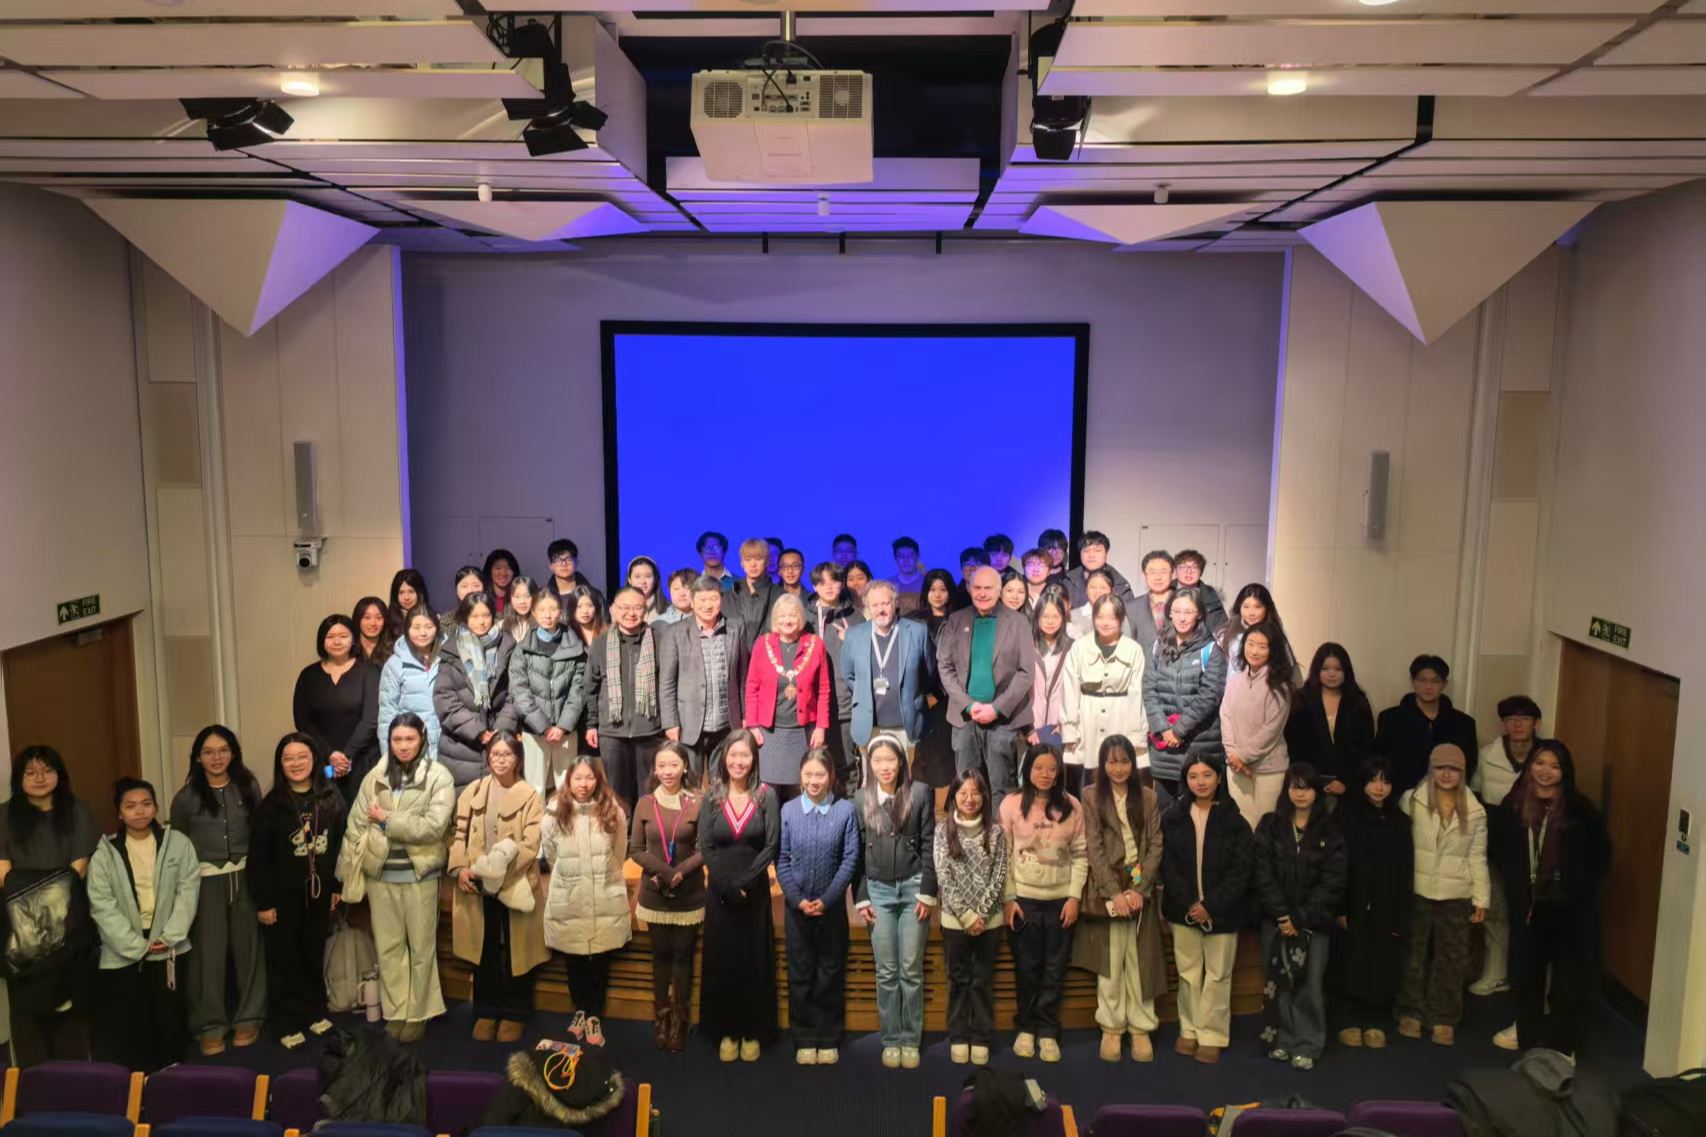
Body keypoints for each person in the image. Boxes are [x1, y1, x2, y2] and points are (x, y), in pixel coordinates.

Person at [338, 713, 454, 1041]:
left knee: (421, 948)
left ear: (422, 739)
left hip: (420, 873)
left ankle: (418, 1013)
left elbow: (433, 827)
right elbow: (356, 825)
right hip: (381, 874)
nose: (403, 746)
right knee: (388, 948)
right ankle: (396, 1011)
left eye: (410, 739)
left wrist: (387, 820)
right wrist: (346, 874)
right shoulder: (375, 776)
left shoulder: (439, 776)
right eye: (397, 739)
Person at [1491, 740, 1610, 1057]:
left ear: (1565, 772)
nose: (1546, 771)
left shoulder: (1580, 810)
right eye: (1540, 763)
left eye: (1555, 766)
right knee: (1526, 977)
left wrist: (1579, 887)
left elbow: (1601, 856)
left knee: (1567, 983)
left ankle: (1562, 1047)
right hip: (1529, 906)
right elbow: (1500, 851)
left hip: (1568, 909)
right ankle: (1528, 1039)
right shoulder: (1513, 805)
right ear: (1530, 765)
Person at [88, 776, 199, 1072]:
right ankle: (140, 1079)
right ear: (120, 812)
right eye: (131, 806)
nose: (140, 811)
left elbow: (188, 891)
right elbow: (102, 903)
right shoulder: (106, 852)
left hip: (168, 941)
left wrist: (170, 935)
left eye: (146, 804)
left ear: (156, 808)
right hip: (124, 947)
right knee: (132, 1017)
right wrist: (134, 945)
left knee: (169, 1014)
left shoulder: (178, 844)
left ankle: (172, 1072)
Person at [0, 747, 101, 1066]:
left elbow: (78, 869)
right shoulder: (4, 815)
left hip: (70, 921)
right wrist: (35, 910)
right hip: (20, 929)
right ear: (19, 779)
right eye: (30, 772)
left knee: (72, 1009)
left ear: (60, 774)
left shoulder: (78, 811)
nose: (40, 778)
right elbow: (3, 874)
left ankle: (74, 1082)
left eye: (47, 770)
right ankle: (31, 1086)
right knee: (27, 1013)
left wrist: (42, 897)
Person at [172, 725, 266, 1055]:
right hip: (205, 881)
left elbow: (260, 832)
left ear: (233, 753)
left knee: (249, 949)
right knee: (207, 955)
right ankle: (210, 1024)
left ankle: (249, 1017)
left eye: (223, 750)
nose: (216, 758)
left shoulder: (248, 786)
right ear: (198, 757)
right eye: (209, 752)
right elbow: (178, 847)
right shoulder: (185, 799)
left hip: (245, 876)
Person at [248, 732, 345, 1049]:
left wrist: (336, 887)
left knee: (312, 954)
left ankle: (314, 1011)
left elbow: (340, 848)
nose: (296, 763)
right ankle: (286, 1022)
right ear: (280, 764)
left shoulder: (330, 799)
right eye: (288, 758)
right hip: (281, 900)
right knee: (284, 959)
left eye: (302, 756)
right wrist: (264, 902)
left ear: (314, 760)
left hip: (319, 894)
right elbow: (259, 859)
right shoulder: (271, 806)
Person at [450, 732, 549, 1042]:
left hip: (515, 883)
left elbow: (531, 843)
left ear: (518, 759)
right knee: (485, 949)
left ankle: (516, 1014)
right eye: (495, 754)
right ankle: (486, 1010)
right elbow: (459, 833)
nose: (501, 760)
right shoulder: (474, 790)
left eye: (507, 754)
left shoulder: (529, 795)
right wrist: (459, 868)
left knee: (518, 953)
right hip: (477, 884)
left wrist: (501, 873)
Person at [1074, 735, 1163, 1064]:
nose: (1119, 768)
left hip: (1139, 884)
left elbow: (1155, 846)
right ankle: (1111, 1027)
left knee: (1140, 961)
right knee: (1111, 961)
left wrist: (1138, 889)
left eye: (1125, 761)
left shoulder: (1149, 797)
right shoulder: (1090, 796)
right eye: (1112, 761)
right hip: (1106, 886)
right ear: (1102, 764)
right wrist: (1114, 891)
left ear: (1133, 763)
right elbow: (1094, 848)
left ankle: (1140, 1028)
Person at [1159, 755, 1252, 1065]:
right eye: (1193, 776)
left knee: (1217, 975)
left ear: (1219, 778)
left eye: (1207, 775)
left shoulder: (1234, 820)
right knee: (1187, 974)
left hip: (1223, 911)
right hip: (1182, 909)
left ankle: (1212, 1035)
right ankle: (1189, 1029)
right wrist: (1191, 903)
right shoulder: (1173, 816)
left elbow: (1242, 870)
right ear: (1185, 780)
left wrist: (1210, 905)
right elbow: (1167, 865)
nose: (1200, 782)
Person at [1252, 764, 1345, 1071]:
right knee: (1279, 983)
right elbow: (1261, 872)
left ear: (1317, 792)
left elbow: (1333, 882)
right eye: (1294, 786)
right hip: (1275, 921)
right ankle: (1281, 1039)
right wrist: (1282, 915)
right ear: (1286, 790)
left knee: (1310, 984)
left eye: (1306, 787)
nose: (1300, 793)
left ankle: (1307, 1043)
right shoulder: (1270, 824)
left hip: (1313, 923)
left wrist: (1300, 917)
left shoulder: (1330, 831)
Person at [1396, 743, 1488, 1046]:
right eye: (1440, 767)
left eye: (1454, 769)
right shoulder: (1412, 800)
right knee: (1414, 955)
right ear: (1431, 769)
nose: (1447, 774)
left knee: (1452, 958)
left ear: (1463, 773)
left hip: (1456, 894)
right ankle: (1411, 1011)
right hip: (1418, 891)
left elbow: (1477, 857)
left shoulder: (1475, 810)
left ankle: (1444, 1017)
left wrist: (1481, 899)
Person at [852, 735, 936, 1068]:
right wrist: (860, 896)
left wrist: (928, 891)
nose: (885, 766)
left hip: (914, 888)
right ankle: (891, 1039)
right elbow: (857, 851)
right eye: (878, 761)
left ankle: (910, 1039)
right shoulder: (861, 798)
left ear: (901, 761)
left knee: (911, 970)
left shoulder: (920, 793)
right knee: (886, 971)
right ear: (869, 764)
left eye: (891, 759)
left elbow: (929, 844)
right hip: (878, 891)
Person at [999, 743, 1086, 1063]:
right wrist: (1009, 898)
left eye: (1052, 768)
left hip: (1060, 902)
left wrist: (1074, 897)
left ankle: (1048, 1030)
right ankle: (1026, 1028)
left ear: (1059, 772)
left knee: (1054, 968)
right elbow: (1005, 856)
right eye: (1039, 768)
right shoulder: (1011, 804)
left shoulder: (1072, 806)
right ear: (1028, 769)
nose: (1045, 774)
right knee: (1026, 968)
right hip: (1023, 902)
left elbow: (1081, 854)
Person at [698, 731, 781, 1061]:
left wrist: (746, 882)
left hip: (755, 891)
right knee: (724, 962)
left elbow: (771, 845)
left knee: (752, 962)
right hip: (720, 892)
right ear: (724, 758)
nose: (738, 762)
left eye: (745, 755)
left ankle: (752, 1030)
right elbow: (706, 846)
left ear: (754, 759)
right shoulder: (711, 796)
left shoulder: (766, 795)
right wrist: (727, 885)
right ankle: (727, 1030)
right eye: (733, 755)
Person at [777, 748, 861, 1066]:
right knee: (800, 974)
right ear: (800, 776)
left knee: (830, 973)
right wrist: (797, 899)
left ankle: (827, 1038)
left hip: (832, 908)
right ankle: (803, 1037)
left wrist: (827, 899)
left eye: (820, 775)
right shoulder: (788, 811)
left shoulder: (845, 810)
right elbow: (781, 859)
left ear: (832, 777)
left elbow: (850, 858)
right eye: (808, 774)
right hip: (796, 908)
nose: (814, 781)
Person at [540, 755, 630, 1021]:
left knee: (601, 960)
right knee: (574, 960)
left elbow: (619, 853)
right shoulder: (553, 814)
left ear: (598, 780)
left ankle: (594, 1015)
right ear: (568, 780)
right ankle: (580, 1010)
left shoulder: (613, 811)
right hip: (570, 895)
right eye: (577, 778)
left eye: (589, 777)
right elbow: (552, 855)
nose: (583, 784)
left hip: (604, 892)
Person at [628, 741, 704, 1052]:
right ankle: (661, 1016)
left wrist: (679, 873)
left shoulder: (698, 801)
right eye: (661, 765)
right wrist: (665, 872)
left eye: (673, 765)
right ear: (654, 769)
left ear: (685, 767)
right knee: (660, 955)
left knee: (683, 955)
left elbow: (705, 848)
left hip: (689, 891)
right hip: (655, 891)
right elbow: (635, 850)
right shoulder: (645, 803)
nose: (667, 771)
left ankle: (679, 1019)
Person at [1336, 756, 1413, 1050]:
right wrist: (1340, 906)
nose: (1379, 788)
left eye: (1385, 781)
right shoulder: (1345, 817)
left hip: (1387, 901)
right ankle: (1349, 1019)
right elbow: (1337, 865)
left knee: (1383, 960)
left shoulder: (1401, 822)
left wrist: (1402, 913)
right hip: (1353, 901)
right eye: (1372, 780)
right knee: (1351, 959)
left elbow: (1406, 869)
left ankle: (1376, 1020)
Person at [939, 566, 1035, 805]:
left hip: (1002, 719)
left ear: (999, 590)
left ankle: (999, 830)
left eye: (988, 588)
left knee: (1002, 789)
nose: (982, 593)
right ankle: (969, 830)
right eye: (977, 588)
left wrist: (996, 708)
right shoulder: (956, 620)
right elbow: (945, 668)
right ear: (970, 589)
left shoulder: (1018, 622)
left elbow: (1026, 672)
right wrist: (969, 705)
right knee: (967, 787)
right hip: (965, 718)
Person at [1470, 695, 1544, 1000]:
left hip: (1537, 849)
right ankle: (1496, 974)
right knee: (1495, 911)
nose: (1517, 725)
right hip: (1495, 847)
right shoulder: (1487, 755)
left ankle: (1533, 982)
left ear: (1536, 723)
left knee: (1534, 915)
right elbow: (1475, 798)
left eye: (1524, 719)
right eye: (1511, 719)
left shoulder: (1548, 757)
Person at [935, 769, 1008, 1067]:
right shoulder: (943, 831)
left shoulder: (996, 832)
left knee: (982, 980)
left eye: (975, 793)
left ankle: (981, 1037)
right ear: (953, 796)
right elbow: (944, 876)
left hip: (989, 921)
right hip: (955, 921)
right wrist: (966, 916)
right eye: (962, 793)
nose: (969, 799)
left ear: (984, 797)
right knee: (958, 979)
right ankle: (958, 1035)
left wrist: (982, 914)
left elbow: (999, 876)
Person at [1141, 588, 1228, 805]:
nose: (1182, 617)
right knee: (1165, 812)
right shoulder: (1157, 646)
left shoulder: (1210, 650)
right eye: (1177, 611)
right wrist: (1162, 728)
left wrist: (1178, 731)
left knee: (1200, 813)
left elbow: (1209, 696)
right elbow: (1149, 690)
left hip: (1199, 743)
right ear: (1169, 613)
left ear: (1199, 614)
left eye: (1188, 612)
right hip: (1165, 747)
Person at [658, 575, 749, 776]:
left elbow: (742, 677)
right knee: (691, 784)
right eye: (702, 599)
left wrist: (744, 716)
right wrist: (670, 722)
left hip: (727, 723)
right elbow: (667, 684)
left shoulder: (736, 628)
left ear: (721, 599)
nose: (708, 605)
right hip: (688, 724)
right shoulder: (675, 632)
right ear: (692, 602)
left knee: (721, 783)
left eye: (713, 598)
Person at [584, 587, 665, 810]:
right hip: (612, 731)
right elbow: (590, 687)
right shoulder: (600, 643)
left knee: (649, 793)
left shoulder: (658, 640)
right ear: (613, 609)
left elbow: (667, 685)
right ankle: (621, 830)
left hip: (649, 730)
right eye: (625, 607)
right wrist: (592, 724)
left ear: (645, 610)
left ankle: (645, 830)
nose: (631, 613)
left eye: (637, 607)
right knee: (616, 795)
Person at [744, 593, 830, 800]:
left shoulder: (815, 645)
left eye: (792, 615)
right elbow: (752, 687)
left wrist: (821, 727)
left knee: (799, 791)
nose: (787, 620)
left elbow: (824, 690)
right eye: (782, 616)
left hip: (803, 732)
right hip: (768, 733)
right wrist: (753, 725)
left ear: (800, 617)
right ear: (775, 619)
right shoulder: (762, 644)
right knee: (768, 793)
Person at [1062, 594, 1148, 797]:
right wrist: (1070, 730)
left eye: (1112, 617)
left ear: (1121, 619)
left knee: (1119, 776)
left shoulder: (1133, 649)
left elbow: (1138, 694)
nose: (1106, 622)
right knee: (1087, 782)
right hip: (1087, 718)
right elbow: (1070, 689)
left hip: (1121, 717)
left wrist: (1137, 735)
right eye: (1100, 616)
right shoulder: (1080, 646)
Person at [842, 581, 931, 768]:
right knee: (873, 781)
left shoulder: (917, 631)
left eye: (885, 603)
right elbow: (849, 675)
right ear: (867, 607)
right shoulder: (854, 635)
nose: (880, 609)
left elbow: (928, 673)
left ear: (895, 603)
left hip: (907, 725)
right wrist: (864, 693)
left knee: (907, 780)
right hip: (869, 726)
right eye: (874, 605)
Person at [435, 591, 518, 791]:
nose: (481, 622)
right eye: (474, 616)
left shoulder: (507, 646)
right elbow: (444, 699)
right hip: (461, 746)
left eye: (486, 615)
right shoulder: (451, 649)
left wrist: (501, 729)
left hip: (500, 740)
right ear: (465, 618)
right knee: (465, 802)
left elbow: (515, 693)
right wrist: (477, 731)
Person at [509, 586, 587, 797]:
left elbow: (579, 689)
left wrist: (562, 726)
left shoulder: (575, 646)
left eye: (553, 608)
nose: (548, 614)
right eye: (542, 609)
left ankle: (566, 819)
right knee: (535, 787)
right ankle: (536, 820)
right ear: (533, 613)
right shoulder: (522, 649)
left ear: (560, 611)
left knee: (567, 786)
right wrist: (543, 726)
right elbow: (519, 692)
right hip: (534, 730)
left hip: (566, 730)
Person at [293, 613, 381, 795]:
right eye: (330, 637)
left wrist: (346, 756)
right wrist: (330, 754)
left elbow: (371, 719)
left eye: (343, 636)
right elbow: (302, 720)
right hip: (323, 761)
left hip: (361, 760)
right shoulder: (308, 675)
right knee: (325, 806)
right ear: (322, 641)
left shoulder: (369, 672)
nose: (337, 641)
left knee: (361, 809)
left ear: (353, 640)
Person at [1221, 622, 1294, 828]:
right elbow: (1225, 717)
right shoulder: (1234, 681)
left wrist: (1242, 756)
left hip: (1269, 769)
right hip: (1236, 768)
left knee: (1265, 828)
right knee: (1241, 827)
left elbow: (1271, 729)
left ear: (1273, 650)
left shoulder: (1280, 685)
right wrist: (1233, 755)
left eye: (1262, 646)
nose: (1254, 651)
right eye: (1250, 644)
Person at [1376, 655, 1480, 793]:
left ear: (1444, 684)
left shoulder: (1464, 723)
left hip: (1447, 797)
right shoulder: (1390, 719)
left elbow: (1468, 766)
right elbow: (1380, 763)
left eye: (1435, 681)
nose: (1428, 686)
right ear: (1412, 681)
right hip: (1399, 796)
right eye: (1422, 680)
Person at [1285, 643, 1376, 800]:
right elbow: (1293, 744)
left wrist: (1345, 781)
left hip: (1349, 785)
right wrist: (1308, 780)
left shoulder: (1358, 701)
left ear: (1346, 671)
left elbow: (1366, 747)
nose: (1332, 674)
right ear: (1316, 670)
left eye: (1338, 669)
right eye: (1325, 668)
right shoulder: (1301, 699)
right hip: (1308, 784)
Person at [810, 563, 866, 791]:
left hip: (844, 703)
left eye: (834, 581)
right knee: (814, 766)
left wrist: (852, 642)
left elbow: (869, 660)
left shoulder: (855, 617)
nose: (829, 587)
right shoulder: (804, 616)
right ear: (814, 587)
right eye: (822, 582)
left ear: (842, 584)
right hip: (810, 705)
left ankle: (848, 810)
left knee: (846, 765)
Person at [907, 567, 960, 790]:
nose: (937, 594)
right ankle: (921, 803)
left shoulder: (959, 620)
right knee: (922, 756)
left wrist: (939, 694)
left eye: (943, 589)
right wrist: (926, 693)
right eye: (932, 589)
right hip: (920, 697)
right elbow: (910, 662)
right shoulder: (912, 621)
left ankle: (944, 803)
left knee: (946, 756)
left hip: (950, 698)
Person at [378, 605, 443, 773]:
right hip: (412, 747)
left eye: (428, 626)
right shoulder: (395, 664)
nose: (423, 633)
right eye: (416, 627)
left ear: (437, 628)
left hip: (447, 747)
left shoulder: (448, 657)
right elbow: (386, 715)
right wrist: (389, 758)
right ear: (407, 629)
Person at [1028, 590, 1072, 754]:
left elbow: (1075, 690)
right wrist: (1026, 727)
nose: (1050, 621)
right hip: (1030, 726)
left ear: (1063, 618)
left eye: (1055, 616)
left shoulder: (1073, 647)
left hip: (1058, 727)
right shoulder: (1026, 645)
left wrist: (1066, 723)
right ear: (1037, 617)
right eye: (1045, 616)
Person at [1222, 584, 1294, 676]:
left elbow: (1285, 669)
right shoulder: (1230, 632)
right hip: (1232, 684)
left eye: (1257, 607)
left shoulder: (1275, 636)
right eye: (1246, 606)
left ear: (1267, 608)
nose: (1251, 613)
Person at [1065, 531, 1136, 609]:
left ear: (1106, 554)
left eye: (1097, 550)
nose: (1091, 555)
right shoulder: (1068, 581)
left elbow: (1129, 614)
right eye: (1086, 551)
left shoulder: (1120, 585)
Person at [728, 537, 781, 632]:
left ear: (767, 561)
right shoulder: (729, 595)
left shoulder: (780, 595)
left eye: (758, 559)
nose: (753, 564)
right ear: (742, 563)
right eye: (748, 559)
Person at [1131, 551, 1174, 655]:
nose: (1158, 577)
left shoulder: (1185, 605)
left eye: (1163, 572)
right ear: (1144, 575)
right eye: (1152, 572)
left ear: (1172, 574)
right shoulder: (1132, 607)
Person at [1172, 550, 1226, 633]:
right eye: (1183, 567)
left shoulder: (1211, 595)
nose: (1189, 571)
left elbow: (1222, 629)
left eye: (1195, 567)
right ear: (1175, 571)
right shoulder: (1165, 592)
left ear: (1201, 572)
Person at [1070, 569, 1132, 640]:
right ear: (1086, 589)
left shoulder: (1119, 617)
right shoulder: (1072, 616)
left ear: (1112, 591)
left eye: (1103, 588)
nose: (1098, 591)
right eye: (1093, 587)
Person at [545, 538, 596, 608]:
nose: (564, 564)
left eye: (569, 559)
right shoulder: (544, 597)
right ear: (551, 566)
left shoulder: (593, 594)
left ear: (576, 563)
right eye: (558, 560)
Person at [442, 565, 487, 636]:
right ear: (456, 589)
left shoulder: (495, 619)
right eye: (464, 586)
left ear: (484, 588)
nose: (470, 591)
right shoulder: (446, 621)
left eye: (476, 585)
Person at [386, 568, 431, 640]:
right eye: (401, 593)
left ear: (420, 593)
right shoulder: (387, 621)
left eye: (411, 592)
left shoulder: (432, 618)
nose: (406, 597)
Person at [353, 595, 396, 667]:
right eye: (367, 617)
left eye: (379, 618)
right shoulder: (349, 650)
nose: (373, 623)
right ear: (357, 619)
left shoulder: (394, 651)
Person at [627, 555, 670, 622]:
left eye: (648, 576)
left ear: (655, 579)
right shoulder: (619, 608)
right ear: (629, 580)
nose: (642, 581)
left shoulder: (669, 609)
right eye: (637, 576)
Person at [567, 584, 609, 649]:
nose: (585, 611)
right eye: (579, 606)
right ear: (572, 608)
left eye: (590, 605)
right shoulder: (566, 634)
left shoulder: (607, 631)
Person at [500, 575, 539, 643]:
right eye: (517, 596)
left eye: (527, 596)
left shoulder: (542, 625)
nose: (522, 601)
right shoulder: (502, 626)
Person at [483, 548, 521, 614]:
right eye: (498, 568)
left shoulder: (521, 598)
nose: (503, 573)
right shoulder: (481, 597)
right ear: (489, 570)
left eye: (508, 568)